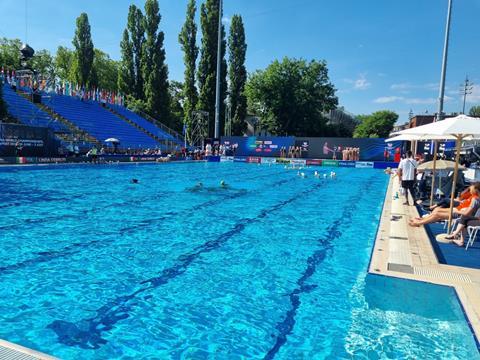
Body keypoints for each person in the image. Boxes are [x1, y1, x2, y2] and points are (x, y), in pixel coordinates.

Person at [409, 183, 480, 228]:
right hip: (457, 209)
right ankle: (422, 220)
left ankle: (419, 223)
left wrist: (458, 210)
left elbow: (468, 212)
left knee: (437, 214)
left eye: (471, 189)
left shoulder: (475, 199)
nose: (470, 190)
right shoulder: (473, 196)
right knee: (436, 209)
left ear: (476, 190)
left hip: (459, 213)